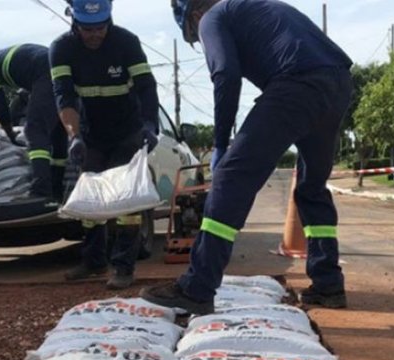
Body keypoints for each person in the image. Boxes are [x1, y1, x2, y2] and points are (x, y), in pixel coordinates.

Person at [141, 0, 353, 313]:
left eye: (194, 35)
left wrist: (221, 144)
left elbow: (226, 73)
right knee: (312, 188)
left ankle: (197, 287)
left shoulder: (213, 17)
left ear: (193, 15)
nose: (200, 39)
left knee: (230, 179)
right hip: (337, 84)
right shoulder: (252, 8)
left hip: (296, 84)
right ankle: (328, 284)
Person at [50, 0, 160, 290]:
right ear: (74, 23)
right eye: (87, 29)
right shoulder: (61, 49)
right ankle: (93, 260)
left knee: (126, 203)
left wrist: (150, 124)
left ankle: (124, 266)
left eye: (100, 28)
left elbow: (146, 86)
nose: (94, 34)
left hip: (127, 131)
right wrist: (74, 136)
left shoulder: (127, 43)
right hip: (90, 134)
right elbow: (65, 97)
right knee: (92, 202)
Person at [0, 41, 67, 201]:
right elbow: (27, 95)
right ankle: (58, 192)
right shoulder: (12, 56)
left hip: (45, 75)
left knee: (35, 132)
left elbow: (0, 104)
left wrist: (9, 132)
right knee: (58, 133)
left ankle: (41, 193)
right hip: (64, 72)